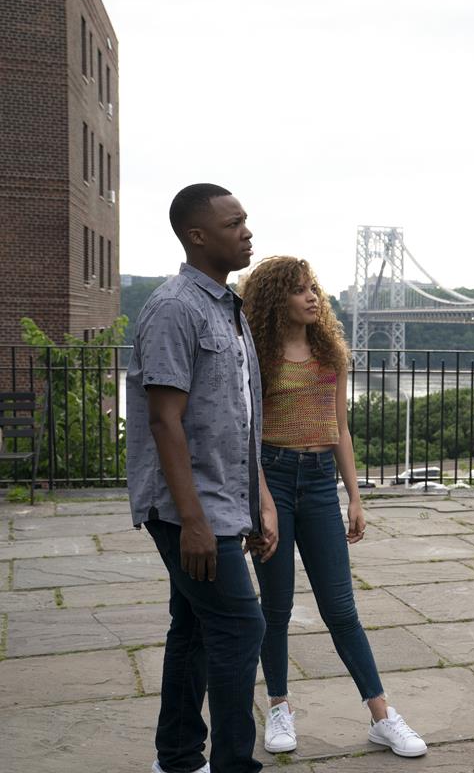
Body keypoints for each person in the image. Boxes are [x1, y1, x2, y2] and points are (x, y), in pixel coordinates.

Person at [238, 256, 427, 758]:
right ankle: (279, 705)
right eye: (299, 290)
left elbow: (340, 428)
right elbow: (248, 432)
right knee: (274, 609)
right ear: (277, 298)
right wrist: (260, 498)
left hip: (321, 483)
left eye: (313, 288)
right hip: (272, 479)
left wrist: (355, 497)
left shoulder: (330, 354)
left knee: (341, 609)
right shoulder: (256, 354)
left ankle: (382, 716)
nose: (312, 297)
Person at [126, 183, 279, 773]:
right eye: (234, 223)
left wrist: (259, 500)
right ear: (197, 235)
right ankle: (234, 764)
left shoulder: (228, 307)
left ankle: (179, 757)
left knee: (193, 627)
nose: (247, 231)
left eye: (246, 220)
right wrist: (193, 521)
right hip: (187, 509)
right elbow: (166, 422)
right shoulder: (174, 308)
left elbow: (241, 418)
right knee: (242, 626)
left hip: (223, 500)